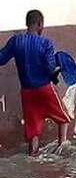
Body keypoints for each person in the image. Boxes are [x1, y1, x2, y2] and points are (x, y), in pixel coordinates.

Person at [0, 10, 70, 155]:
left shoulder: (16, 42)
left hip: (27, 91)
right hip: (44, 87)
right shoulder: (45, 43)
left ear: (27, 24)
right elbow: (50, 68)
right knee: (63, 118)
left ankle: (33, 156)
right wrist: (57, 68)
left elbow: (1, 59)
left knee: (32, 131)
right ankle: (62, 147)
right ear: (40, 24)